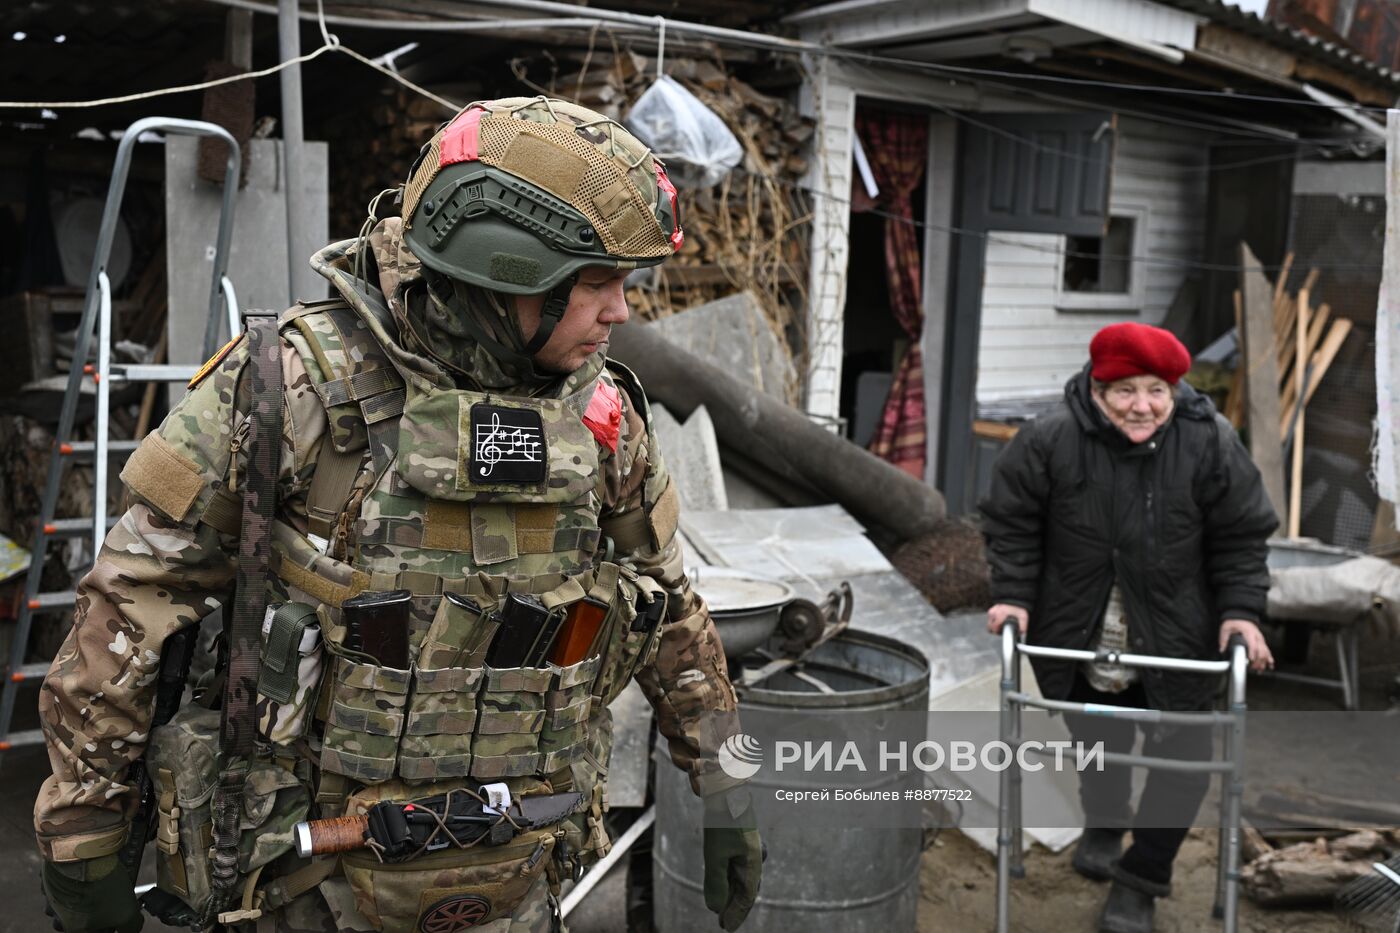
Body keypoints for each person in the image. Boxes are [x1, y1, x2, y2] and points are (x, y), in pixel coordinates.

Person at [35, 96, 761, 933]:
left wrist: (732, 789)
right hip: (302, 887)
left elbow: (670, 609)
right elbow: (129, 607)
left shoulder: (602, 420)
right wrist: (82, 838)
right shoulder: (289, 389)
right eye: (596, 281)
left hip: (519, 878)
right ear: (503, 267)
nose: (621, 311)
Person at [979, 321, 1277, 933]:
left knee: (1186, 757)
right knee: (1098, 739)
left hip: (1177, 635)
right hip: (1080, 628)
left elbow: (1241, 536)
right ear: (1096, 387)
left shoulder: (1210, 440)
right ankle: (1107, 821)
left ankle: (1140, 881)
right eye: (1125, 391)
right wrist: (1012, 597)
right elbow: (1011, 522)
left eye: (1157, 391)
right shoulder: (1048, 438)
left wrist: (1242, 612)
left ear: (1174, 389)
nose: (1142, 406)